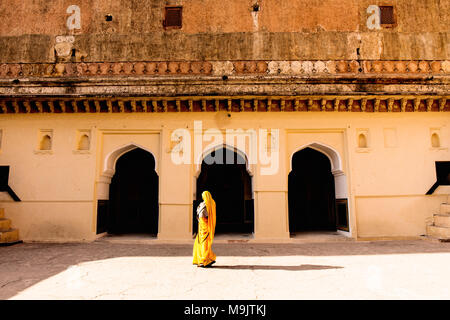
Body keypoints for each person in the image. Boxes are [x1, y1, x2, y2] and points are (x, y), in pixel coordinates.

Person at [193, 191, 216, 268]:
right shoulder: (204, 204)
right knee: (201, 243)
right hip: (201, 226)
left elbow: (206, 215)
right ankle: (203, 259)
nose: (203, 197)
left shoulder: (209, 204)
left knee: (204, 244)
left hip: (206, 226)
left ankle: (204, 260)